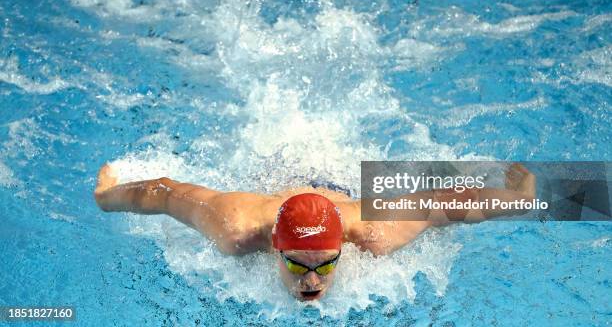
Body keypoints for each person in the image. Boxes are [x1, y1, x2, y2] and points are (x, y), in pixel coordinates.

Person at [94, 163, 535, 301]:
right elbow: (166, 193)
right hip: (276, 177)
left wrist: (518, 197)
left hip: (337, 183)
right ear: (273, 246)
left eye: (326, 264)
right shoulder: (236, 226)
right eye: (297, 264)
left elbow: (440, 202)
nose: (312, 280)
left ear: (343, 245)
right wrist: (106, 195)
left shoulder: (374, 232)